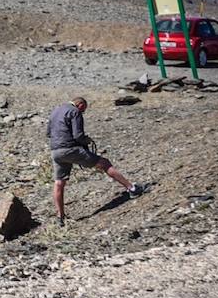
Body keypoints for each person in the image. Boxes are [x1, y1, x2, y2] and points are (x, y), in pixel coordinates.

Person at [48, 97, 146, 226]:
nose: (83, 112)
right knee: (104, 163)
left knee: (59, 183)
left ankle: (60, 217)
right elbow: (78, 135)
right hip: (70, 149)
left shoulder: (55, 111)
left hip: (56, 151)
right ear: (80, 104)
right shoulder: (74, 111)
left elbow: (49, 133)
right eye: (84, 109)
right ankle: (132, 188)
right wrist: (87, 140)